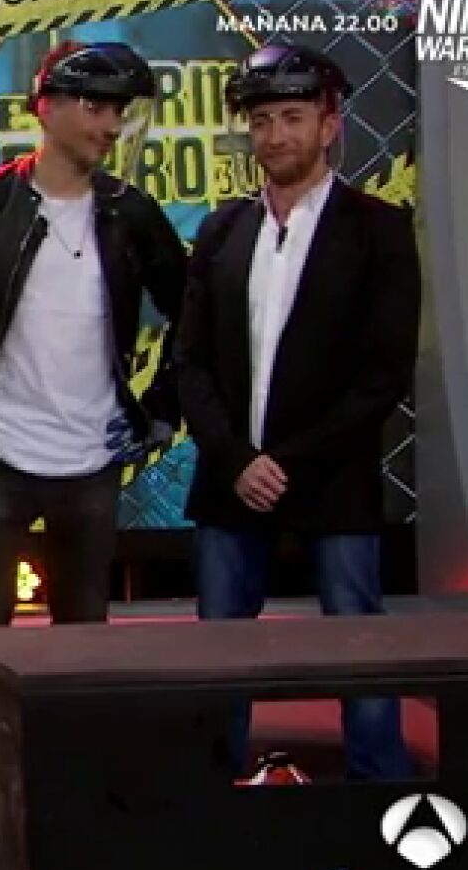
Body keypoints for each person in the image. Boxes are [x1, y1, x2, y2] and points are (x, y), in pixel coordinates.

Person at [0, 40, 190, 870]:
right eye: (93, 105)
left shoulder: (130, 213)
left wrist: (162, 409)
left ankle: (74, 789)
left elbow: (193, 310)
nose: (108, 124)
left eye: (117, 110)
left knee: (82, 638)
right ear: (44, 108)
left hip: (93, 461)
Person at [171, 44, 422, 781]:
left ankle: (380, 788)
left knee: (357, 639)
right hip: (231, 480)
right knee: (221, 646)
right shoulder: (221, 230)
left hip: (332, 478)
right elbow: (190, 362)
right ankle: (214, 787)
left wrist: (286, 463)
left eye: (291, 117)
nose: (275, 135)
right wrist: (236, 459)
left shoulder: (378, 229)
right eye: (261, 121)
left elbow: (383, 375)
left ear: (329, 125)